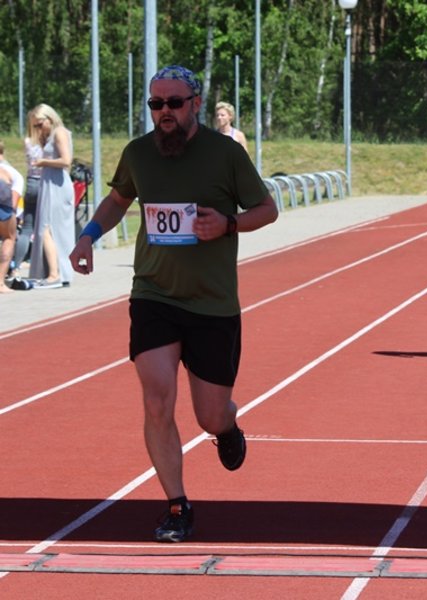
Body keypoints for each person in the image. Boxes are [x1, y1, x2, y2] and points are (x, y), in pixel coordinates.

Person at [69, 65, 278, 542]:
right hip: (154, 294)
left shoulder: (225, 153)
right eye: (155, 104)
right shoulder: (138, 154)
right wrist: (87, 237)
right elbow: (119, 199)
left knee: (209, 413)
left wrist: (227, 225)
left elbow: (267, 210)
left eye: (173, 103)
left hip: (212, 303)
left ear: (196, 104)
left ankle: (226, 428)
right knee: (157, 397)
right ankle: (177, 505)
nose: (164, 113)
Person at [28, 104, 75, 289]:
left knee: (47, 229)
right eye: (35, 127)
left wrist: (43, 161)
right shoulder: (49, 135)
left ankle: (55, 274)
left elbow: (66, 160)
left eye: (40, 125)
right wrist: (41, 138)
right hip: (49, 183)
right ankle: (54, 272)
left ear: (49, 118)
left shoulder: (59, 132)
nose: (39, 129)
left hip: (57, 184)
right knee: (47, 228)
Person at [11, 126, 43, 277]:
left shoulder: (28, 141)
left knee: (27, 228)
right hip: (44, 183)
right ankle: (47, 268)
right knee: (46, 228)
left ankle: (16, 267)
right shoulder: (46, 142)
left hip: (31, 182)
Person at [0, 143, 24, 293]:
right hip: (3, 209)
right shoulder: (12, 173)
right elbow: (13, 204)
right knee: (9, 238)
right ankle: (0, 283)